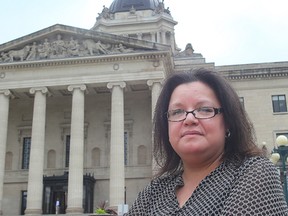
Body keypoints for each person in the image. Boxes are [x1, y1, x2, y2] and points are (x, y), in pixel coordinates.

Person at [125, 68, 288, 215]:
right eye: (177, 112)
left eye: (204, 109)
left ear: (228, 122)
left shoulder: (254, 172)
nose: (189, 119)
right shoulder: (156, 190)